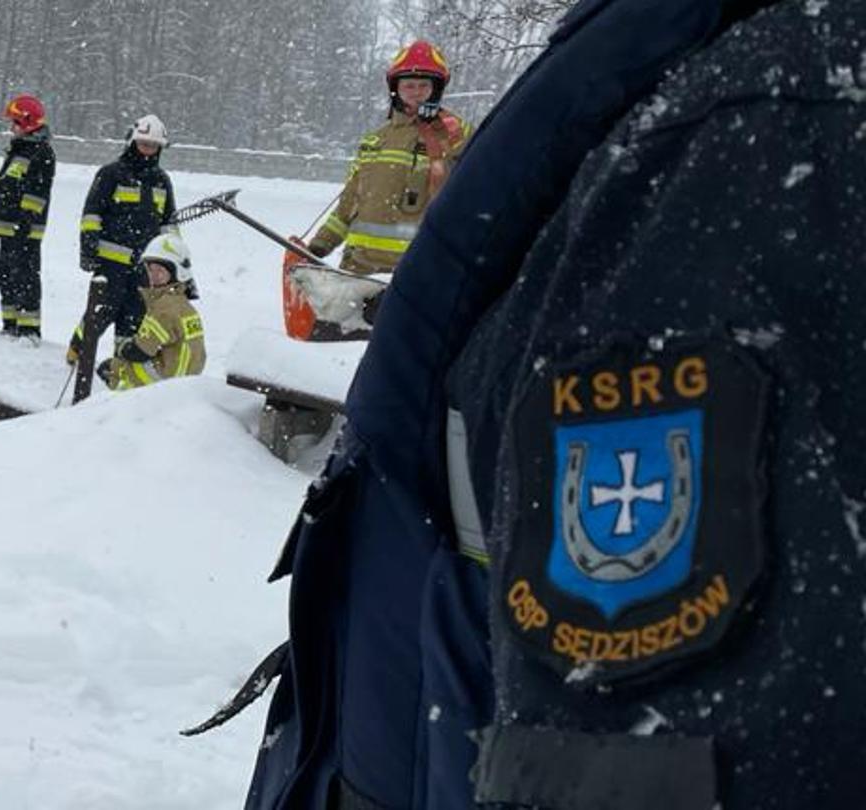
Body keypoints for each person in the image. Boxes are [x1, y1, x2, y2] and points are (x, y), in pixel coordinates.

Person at [233, 2, 862, 809]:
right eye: (410, 78)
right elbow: (358, 205)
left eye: (429, 78)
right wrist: (314, 253)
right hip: (365, 304)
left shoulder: (757, 113)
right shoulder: (653, 66)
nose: (419, 88)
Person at [295, 40, 470, 331]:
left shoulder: (454, 136)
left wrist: (448, 128)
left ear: (436, 90)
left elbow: (479, 183)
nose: (415, 93)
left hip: (413, 278)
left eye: (424, 86)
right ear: (396, 90)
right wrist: (319, 247)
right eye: (409, 86)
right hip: (356, 277)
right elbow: (348, 205)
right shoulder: (374, 141)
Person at [70, 114, 176, 367]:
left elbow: (169, 224)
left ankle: (122, 363)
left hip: (145, 266)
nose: (148, 150)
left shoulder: (162, 180)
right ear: (133, 143)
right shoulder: (111, 174)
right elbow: (92, 214)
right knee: (102, 310)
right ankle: (78, 350)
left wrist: (174, 262)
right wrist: (89, 248)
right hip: (110, 262)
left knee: (135, 315)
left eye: (153, 146)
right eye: (144, 144)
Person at [98, 234, 204, 390]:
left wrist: (122, 351)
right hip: (188, 377)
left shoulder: (163, 308)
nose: (153, 276)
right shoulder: (183, 304)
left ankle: (124, 404)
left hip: (168, 381)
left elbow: (140, 351)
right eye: (150, 269)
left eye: (160, 270)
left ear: (177, 272)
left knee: (117, 368)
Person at [0, 93, 56, 340]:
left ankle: (28, 330)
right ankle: (10, 325)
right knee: (6, 276)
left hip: (24, 229)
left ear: (27, 123)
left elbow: (37, 190)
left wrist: (26, 219)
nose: (11, 127)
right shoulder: (20, 150)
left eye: (15, 123)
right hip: (9, 228)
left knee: (25, 277)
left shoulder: (40, 152)